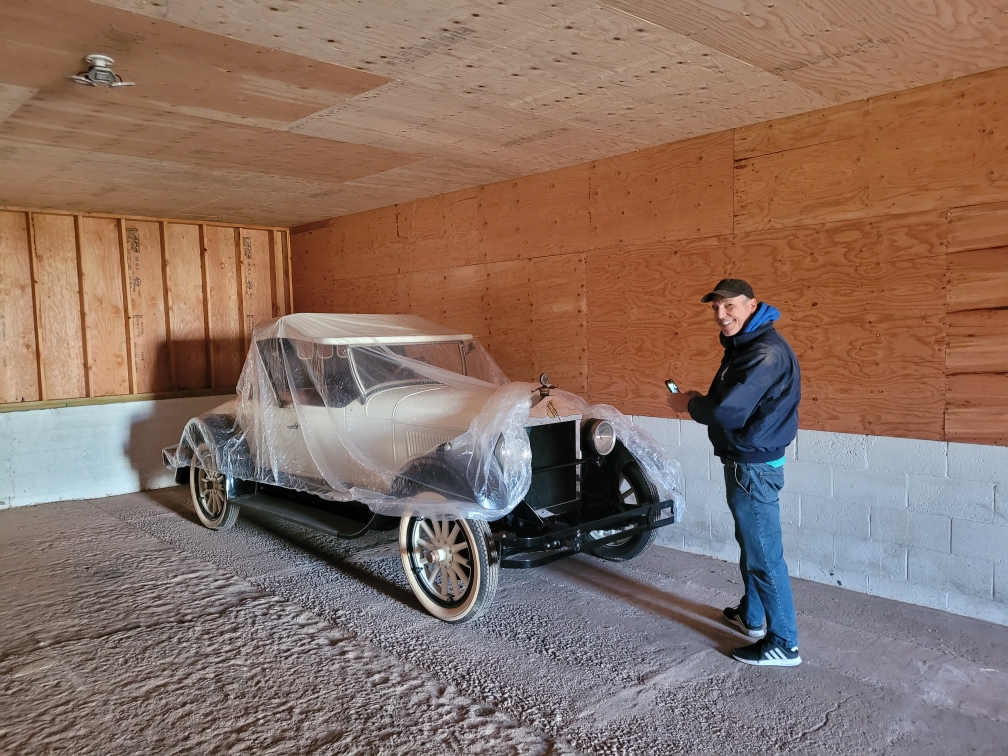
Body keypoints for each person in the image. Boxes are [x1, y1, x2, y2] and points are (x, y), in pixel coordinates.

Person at [667, 278, 802, 667]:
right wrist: (701, 399)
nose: (721, 314)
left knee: (764, 556)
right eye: (715, 307)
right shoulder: (748, 344)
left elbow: (728, 410)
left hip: (753, 467)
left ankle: (785, 644)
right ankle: (752, 616)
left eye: (730, 305)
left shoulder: (763, 352)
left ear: (752, 305)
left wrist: (688, 405)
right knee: (752, 545)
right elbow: (734, 400)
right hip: (749, 460)